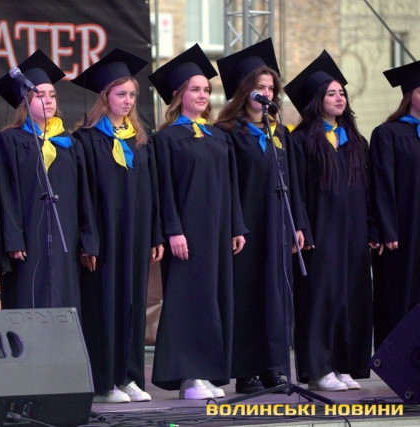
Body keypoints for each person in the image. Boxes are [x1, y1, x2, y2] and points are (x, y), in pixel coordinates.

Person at [148, 44, 247, 400]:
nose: (203, 95)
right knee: (188, 301)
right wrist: (173, 230)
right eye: (195, 89)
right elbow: (163, 189)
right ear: (179, 94)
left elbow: (231, 185)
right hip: (186, 233)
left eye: (206, 89)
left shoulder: (219, 136)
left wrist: (236, 226)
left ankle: (207, 372)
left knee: (214, 300)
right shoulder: (166, 139)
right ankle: (188, 377)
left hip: (217, 232)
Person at [71, 48, 164, 403]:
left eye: (132, 95)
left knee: (133, 305)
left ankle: (130, 377)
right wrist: (88, 240)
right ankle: (105, 381)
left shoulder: (140, 141)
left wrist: (154, 233)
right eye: (121, 94)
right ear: (105, 96)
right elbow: (84, 195)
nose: (127, 101)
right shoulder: (86, 140)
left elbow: (152, 190)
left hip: (135, 236)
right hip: (104, 237)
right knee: (105, 306)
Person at [215, 38, 304, 394]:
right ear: (244, 91)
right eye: (259, 88)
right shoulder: (228, 134)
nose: (266, 93)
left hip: (277, 225)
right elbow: (228, 185)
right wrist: (235, 225)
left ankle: (273, 367)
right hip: (248, 226)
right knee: (248, 296)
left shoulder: (279, 133)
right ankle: (246, 371)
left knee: (276, 296)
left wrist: (298, 224)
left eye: (270, 88)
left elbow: (292, 182)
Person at [284, 50, 372, 392]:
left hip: (353, 232)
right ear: (316, 100)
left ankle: (344, 364)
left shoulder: (356, 142)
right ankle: (318, 369)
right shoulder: (301, 141)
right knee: (321, 298)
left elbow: (368, 190)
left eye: (341, 93)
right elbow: (297, 190)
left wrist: (371, 229)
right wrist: (303, 227)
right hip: (320, 231)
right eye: (331, 93)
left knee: (351, 296)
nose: (339, 98)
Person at [0, 49, 98, 311]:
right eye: (39, 95)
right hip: (28, 239)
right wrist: (13, 238)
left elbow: (83, 195)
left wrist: (88, 240)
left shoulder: (69, 143)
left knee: (63, 299)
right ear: (24, 101)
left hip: (65, 237)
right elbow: (5, 192)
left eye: (52, 95)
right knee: (29, 298)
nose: (48, 101)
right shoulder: (10, 140)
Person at [370, 60, 420, 350]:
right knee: (402, 296)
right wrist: (387, 229)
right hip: (403, 233)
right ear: (409, 95)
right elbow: (382, 183)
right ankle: (400, 361)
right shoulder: (388, 133)